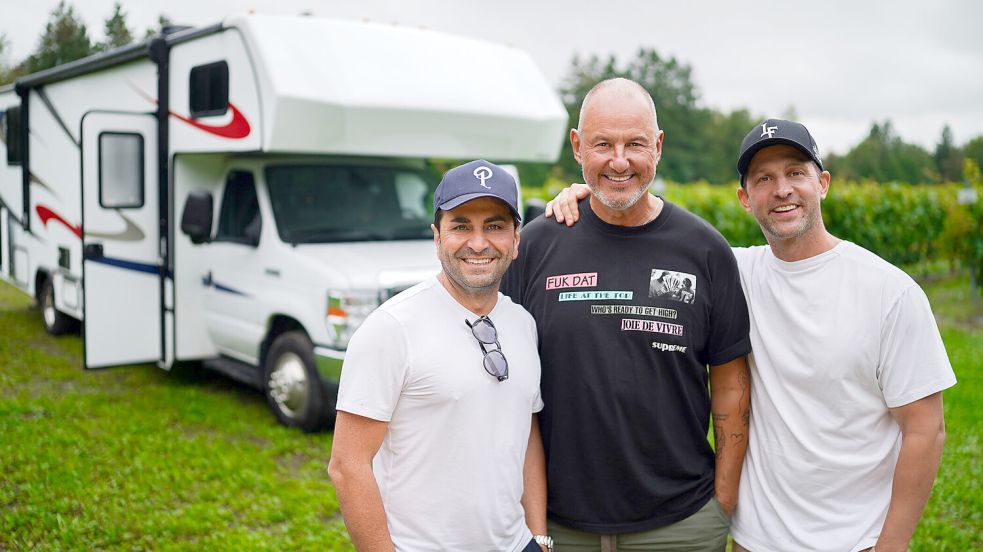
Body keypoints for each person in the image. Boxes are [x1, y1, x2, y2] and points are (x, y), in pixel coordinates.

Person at [546, 118, 956, 551]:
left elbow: (926, 430)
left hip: (854, 539)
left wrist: (891, 546)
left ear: (824, 183)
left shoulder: (889, 292)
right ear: (744, 198)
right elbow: (658, 239)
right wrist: (590, 198)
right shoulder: (734, 272)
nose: (781, 190)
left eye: (796, 173)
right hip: (754, 539)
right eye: (764, 179)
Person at [501, 78, 752, 551]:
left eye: (635, 143)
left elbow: (732, 383)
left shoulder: (704, 251)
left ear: (657, 146)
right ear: (578, 147)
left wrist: (724, 498)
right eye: (603, 144)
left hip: (679, 524)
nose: (619, 161)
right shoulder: (536, 246)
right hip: (559, 524)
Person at [328, 160, 551, 552]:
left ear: (517, 240)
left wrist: (538, 536)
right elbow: (347, 466)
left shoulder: (523, 323)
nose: (478, 243)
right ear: (437, 236)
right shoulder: (391, 328)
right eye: (461, 225)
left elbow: (526, 432)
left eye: (495, 226)